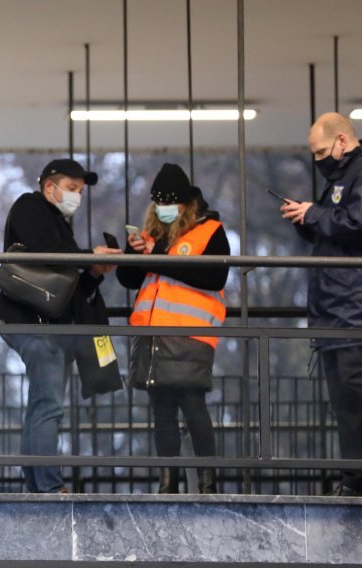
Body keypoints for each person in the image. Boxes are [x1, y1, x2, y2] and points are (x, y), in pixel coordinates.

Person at [0, 158, 121, 494]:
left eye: (79, 191)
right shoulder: (30, 206)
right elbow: (46, 252)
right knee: (48, 406)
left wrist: (91, 272)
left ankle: (38, 484)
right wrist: (86, 256)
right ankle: (48, 487)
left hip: (48, 325)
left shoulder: (61, 225)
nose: (76, 196)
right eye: (72, 188)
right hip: (29, 322)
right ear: (50, 187)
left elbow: (65, 286)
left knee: (42, 405)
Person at [116, 163, 229, 494]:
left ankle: (208, 483)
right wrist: (133, 254)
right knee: (161, 410)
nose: (163, 210)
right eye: (158, 204)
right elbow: (128, 279)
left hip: (190, 335)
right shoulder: (153, 236)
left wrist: (159, 256)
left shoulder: (210, 231)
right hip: (152, 335)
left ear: (186, 204)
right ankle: (168, 483)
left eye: (170, 204)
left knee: (193, 406)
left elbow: (214, 277)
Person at [281, 112, 362, 497]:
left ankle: (355, 480)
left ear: (343, 141)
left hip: (353, 310)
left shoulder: (359, 174)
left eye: (321, 152)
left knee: (353, 401)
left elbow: (356, 225)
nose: (318, 161)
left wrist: (315, 213)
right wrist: (306, 220)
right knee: (345, 405)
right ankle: (353, 478)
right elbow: (337, 231)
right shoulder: (340, 180)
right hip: (337, 310)